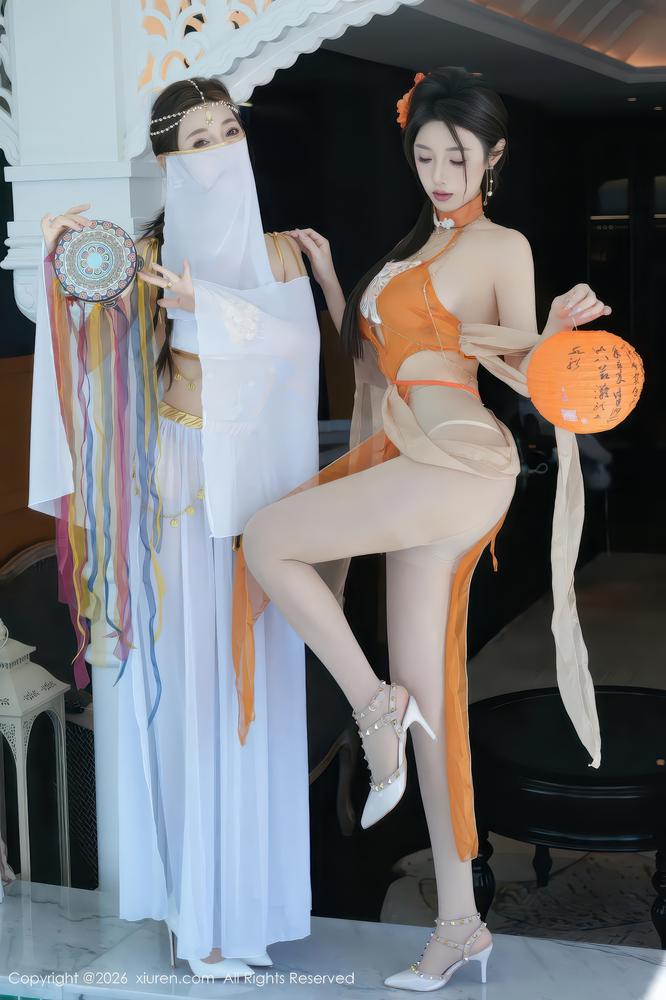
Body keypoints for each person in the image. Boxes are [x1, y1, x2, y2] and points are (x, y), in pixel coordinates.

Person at [235, 67, 609, 991]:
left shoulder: (502, 246)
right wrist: (334, 278)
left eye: (457, 157)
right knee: (432, 705)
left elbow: (529, 374)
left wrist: (556, 332)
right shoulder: (414, 249)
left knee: (268, 540)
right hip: (415, 462)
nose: (439, 174)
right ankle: (460, 925)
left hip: (465, 462)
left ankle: (373, 710)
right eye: (425, 156)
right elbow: (372, 366)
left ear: (494, 158)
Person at [28, 76, 345, 979]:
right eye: (198, 140)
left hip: (261, 495)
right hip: (174, 482)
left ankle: (252, 911)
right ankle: (195, 917)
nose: (219, 151)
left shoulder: (280, 252)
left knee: (258, 693)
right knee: (192, 696)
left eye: (228, 130)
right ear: (170, 160)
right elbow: (90, 360)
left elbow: (316, 355)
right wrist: (62, 267)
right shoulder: (146, 254)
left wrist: (244, 306)